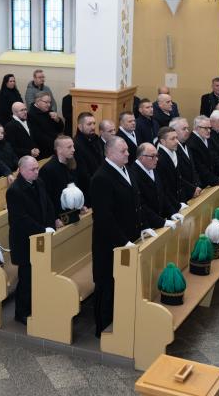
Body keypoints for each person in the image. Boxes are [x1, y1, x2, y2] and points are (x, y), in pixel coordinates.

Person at [91, 137, 151, 337]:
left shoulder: (128, 170)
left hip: (129, 237)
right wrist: (123, 241)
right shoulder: (101, 178)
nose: (128, 153)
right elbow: (104, 217)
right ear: (109, 153)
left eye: (127, 150)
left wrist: (143, 227)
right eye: (123, 151)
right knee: (107, 285)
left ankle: (122, 322)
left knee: (123, 285)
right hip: (110, 244)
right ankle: (104, 329)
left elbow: (137, 204)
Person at [6, 155, 55, 324]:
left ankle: (37, 305)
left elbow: (48, 205)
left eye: (37, 168)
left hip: (40, 236)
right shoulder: (14, 191)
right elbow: (21, 219)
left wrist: (51, 224)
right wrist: (43, 230)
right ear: (21, 170)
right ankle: (21, 313)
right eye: (32, 169)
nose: (36, 172)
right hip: (24, 241)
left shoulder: (39, 182)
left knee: (39, 274)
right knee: (26, 278)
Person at [130, 143, 181, 229]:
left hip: (160, 220)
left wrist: (172, 212)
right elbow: (141, 205)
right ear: (141, 157)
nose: (156, 159)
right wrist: (160, 222)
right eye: (152, 156)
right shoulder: (133, 174)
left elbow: (162, 193)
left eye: (157, 155)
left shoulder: (152, 167)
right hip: (147, 225)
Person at [39, 135, 83, 226]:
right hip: (59, 217)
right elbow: (46, 197)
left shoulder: (72, 163)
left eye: (73, 146)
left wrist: (80, 206)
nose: (73, 149)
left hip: (74, 213)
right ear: (59, 150)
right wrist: (54, 218)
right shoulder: (48, 169)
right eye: (69, 147)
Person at [186, 115, 219, 188]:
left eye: (209, 128)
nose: (209, 130)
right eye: (205, 128)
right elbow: (200, 168)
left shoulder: (206, 138)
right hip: (202, 185)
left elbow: (215, 159)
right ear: (197, 128)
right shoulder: (192, 144)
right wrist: (218, 181)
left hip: (210, 180)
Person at [73, 112, 103, 205]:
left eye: (94, 123)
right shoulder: (76, 145)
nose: (93, 127)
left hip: (100, 182)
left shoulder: (96, 139)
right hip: (88, 190)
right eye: (89, 124)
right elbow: (83, 173)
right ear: (80, 126)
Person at [169, 117, 201, 201]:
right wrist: (192, 189)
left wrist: (197, 185)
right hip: (183, 194)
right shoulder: (173, 149)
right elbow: (178, 176)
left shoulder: (187, 144)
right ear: (174, 131)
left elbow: (194, 168)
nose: (187, 131)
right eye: (184, 129)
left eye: (187, 128)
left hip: (195, 190)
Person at [156, 127, 185, 209]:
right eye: (172, 139)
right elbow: (164, 188)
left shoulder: (174, 152)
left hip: (180, 200)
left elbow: (179, 179)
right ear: (163, 141)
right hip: (171, 206)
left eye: (176, 138)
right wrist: (177, 205)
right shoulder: (159, 160)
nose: (177, 141)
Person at [28, 91, 64, 158]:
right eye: (46, 102)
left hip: (54, 146)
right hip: (44, 151)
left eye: (50, 102)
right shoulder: (31, 115)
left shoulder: (48, 111)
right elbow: (38, 136)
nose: (49, 105)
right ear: (38, 101)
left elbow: (60, 129)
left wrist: (58, 120)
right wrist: (56, 143)